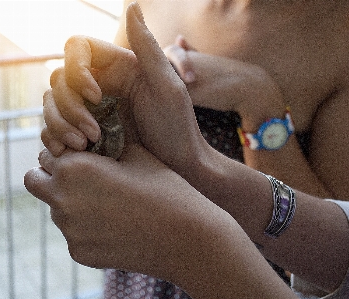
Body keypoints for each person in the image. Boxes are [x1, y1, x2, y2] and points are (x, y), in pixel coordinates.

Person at [24, 3, 349, 298]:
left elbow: (324, 273)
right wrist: (92, 117)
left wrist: (259, 106)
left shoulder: (340, 34)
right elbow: (116, 134)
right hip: (140, 280)